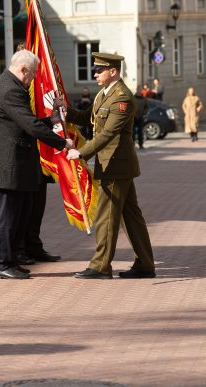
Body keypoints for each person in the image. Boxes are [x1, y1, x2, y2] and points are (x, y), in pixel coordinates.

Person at [0, 50, 73, 280]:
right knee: (7, 218)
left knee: (16, 216)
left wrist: (51, 121)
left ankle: (10, 261)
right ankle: (1, 263)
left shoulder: (7, 85)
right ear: (23, 70)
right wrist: (62, 143)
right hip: (7, 164)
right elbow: (29, 126)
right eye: (33, 75)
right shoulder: (10, 90)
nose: (34, 79)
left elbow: (23, 123)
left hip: (12, 163)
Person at [65, 52, 155, 279]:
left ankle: (100, 266)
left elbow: (108, 133)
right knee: (131, 217)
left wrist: (81, 153)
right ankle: (145, 264)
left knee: (107, 216)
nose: (94, 73)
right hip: (112, 164)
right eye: (95, 70)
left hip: (115, 165)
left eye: (99, 70)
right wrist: (65, 111)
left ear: (112, 72)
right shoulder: (104, 94)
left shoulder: (121, 97)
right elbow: (88, 118)